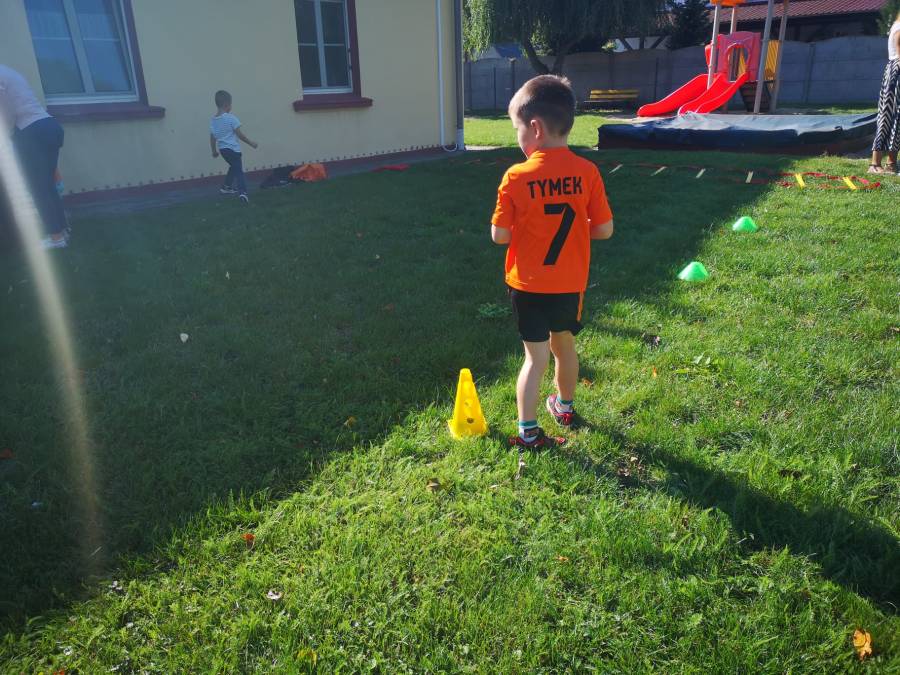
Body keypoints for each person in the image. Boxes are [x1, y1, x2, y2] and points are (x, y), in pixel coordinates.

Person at [490, 75, 614, 449]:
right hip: (568, 283)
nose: (518, 138)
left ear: (536, 128)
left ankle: (528, 431)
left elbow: (500, 237)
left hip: (527, 285)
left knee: (535, 358)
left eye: (517, 130)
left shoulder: (516, 175)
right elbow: (604, 229)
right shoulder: (587, 172)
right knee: (565, 347)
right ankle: (564, 407)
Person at [0, 64, 69, 249]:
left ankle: (56, 238)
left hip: (31, 130)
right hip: (49, 125)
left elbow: (5, 113)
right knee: (48, 185)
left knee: (38, 188)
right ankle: (62, 231)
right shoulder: (9, 72)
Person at [209, 90, 257, 203]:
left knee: (233, 167)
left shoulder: (213, 121)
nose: (231, 107)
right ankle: (243, 193)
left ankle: (226, 187)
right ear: (226, 105)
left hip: (223, 151)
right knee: (239, 171)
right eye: (231, 104)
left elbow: (212, 138)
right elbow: (240, 135)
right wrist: (251, 143)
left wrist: (214, 151)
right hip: (233, 150)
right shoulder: (231, 118)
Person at [869, 12, 900, 175]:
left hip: (895, 70)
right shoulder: (899, 27)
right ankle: (875, 164)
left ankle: (891, 164)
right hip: (897, 71)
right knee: (887, 116)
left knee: (897, 118)